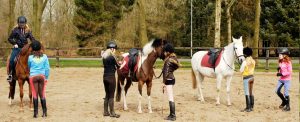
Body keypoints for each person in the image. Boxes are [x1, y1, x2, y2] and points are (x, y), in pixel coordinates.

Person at [7, 16, 35, 82]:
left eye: (23, 23)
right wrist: (14, 43)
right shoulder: (15, 30)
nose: (22, 25)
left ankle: (34, 73)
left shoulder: (28, 30)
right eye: (20, 23)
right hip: (17, 48)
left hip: (25, 48)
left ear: (25, 23)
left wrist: (34, 43)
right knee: (11, 60)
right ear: (18, 23)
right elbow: (9, 38)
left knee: (33, 59)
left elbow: (32, 38)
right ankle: (10, 74)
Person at [28, 40, 50, 118]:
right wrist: (46, 77)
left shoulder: (30, 57)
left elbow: (29, 67)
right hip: (42, 76)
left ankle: (35, 113)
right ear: (40, 48)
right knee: (42, 94)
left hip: (33, 76)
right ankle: (44, 112)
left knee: (35, 94)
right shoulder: (45, 57)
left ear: (33, 49)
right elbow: (47, 68)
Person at [102, 41, 120, 118]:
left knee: (107, 95)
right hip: (111, 77)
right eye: (115, 49)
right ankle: (112, 113)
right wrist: (122, 63)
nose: (115, 50)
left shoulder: (104, 57)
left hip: (105, 77)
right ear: (112, 49)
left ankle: (106, 112)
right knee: (112, 95)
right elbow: (118, 66)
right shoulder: (113, 57)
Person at [162, 43, 180, 121]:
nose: (164, 53)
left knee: (170, 97)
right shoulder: (174, 58)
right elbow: (174, 68)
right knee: (170, 96)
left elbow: (166, 72)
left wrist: (163, 83)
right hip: (172, 79)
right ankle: (171, 114)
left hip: (168, 80)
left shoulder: (168, 60)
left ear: (168, 51)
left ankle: (173, 115)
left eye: (165, 51)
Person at [275, 47, 292, 111]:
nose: (279, 56)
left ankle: (288, 107)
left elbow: (289, 72)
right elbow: (281, 68)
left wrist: (282, 74)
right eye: (279, 55)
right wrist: (279, 69)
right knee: (277, 91)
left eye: (280, 55)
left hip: (287, 80)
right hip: (281, 79)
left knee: (286, 93)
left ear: (285, 55)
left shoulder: (288, 62)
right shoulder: (281, 61)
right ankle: (284, 101)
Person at [239, 47, 255, 112]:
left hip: (246, 78)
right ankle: (251, 106)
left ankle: (248, 108)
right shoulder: (253, 61)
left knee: (247, 92)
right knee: (251, 92)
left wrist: (241, 65)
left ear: (245, 54)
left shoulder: (245, 62)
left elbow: (241, 70)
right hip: (252, 77)